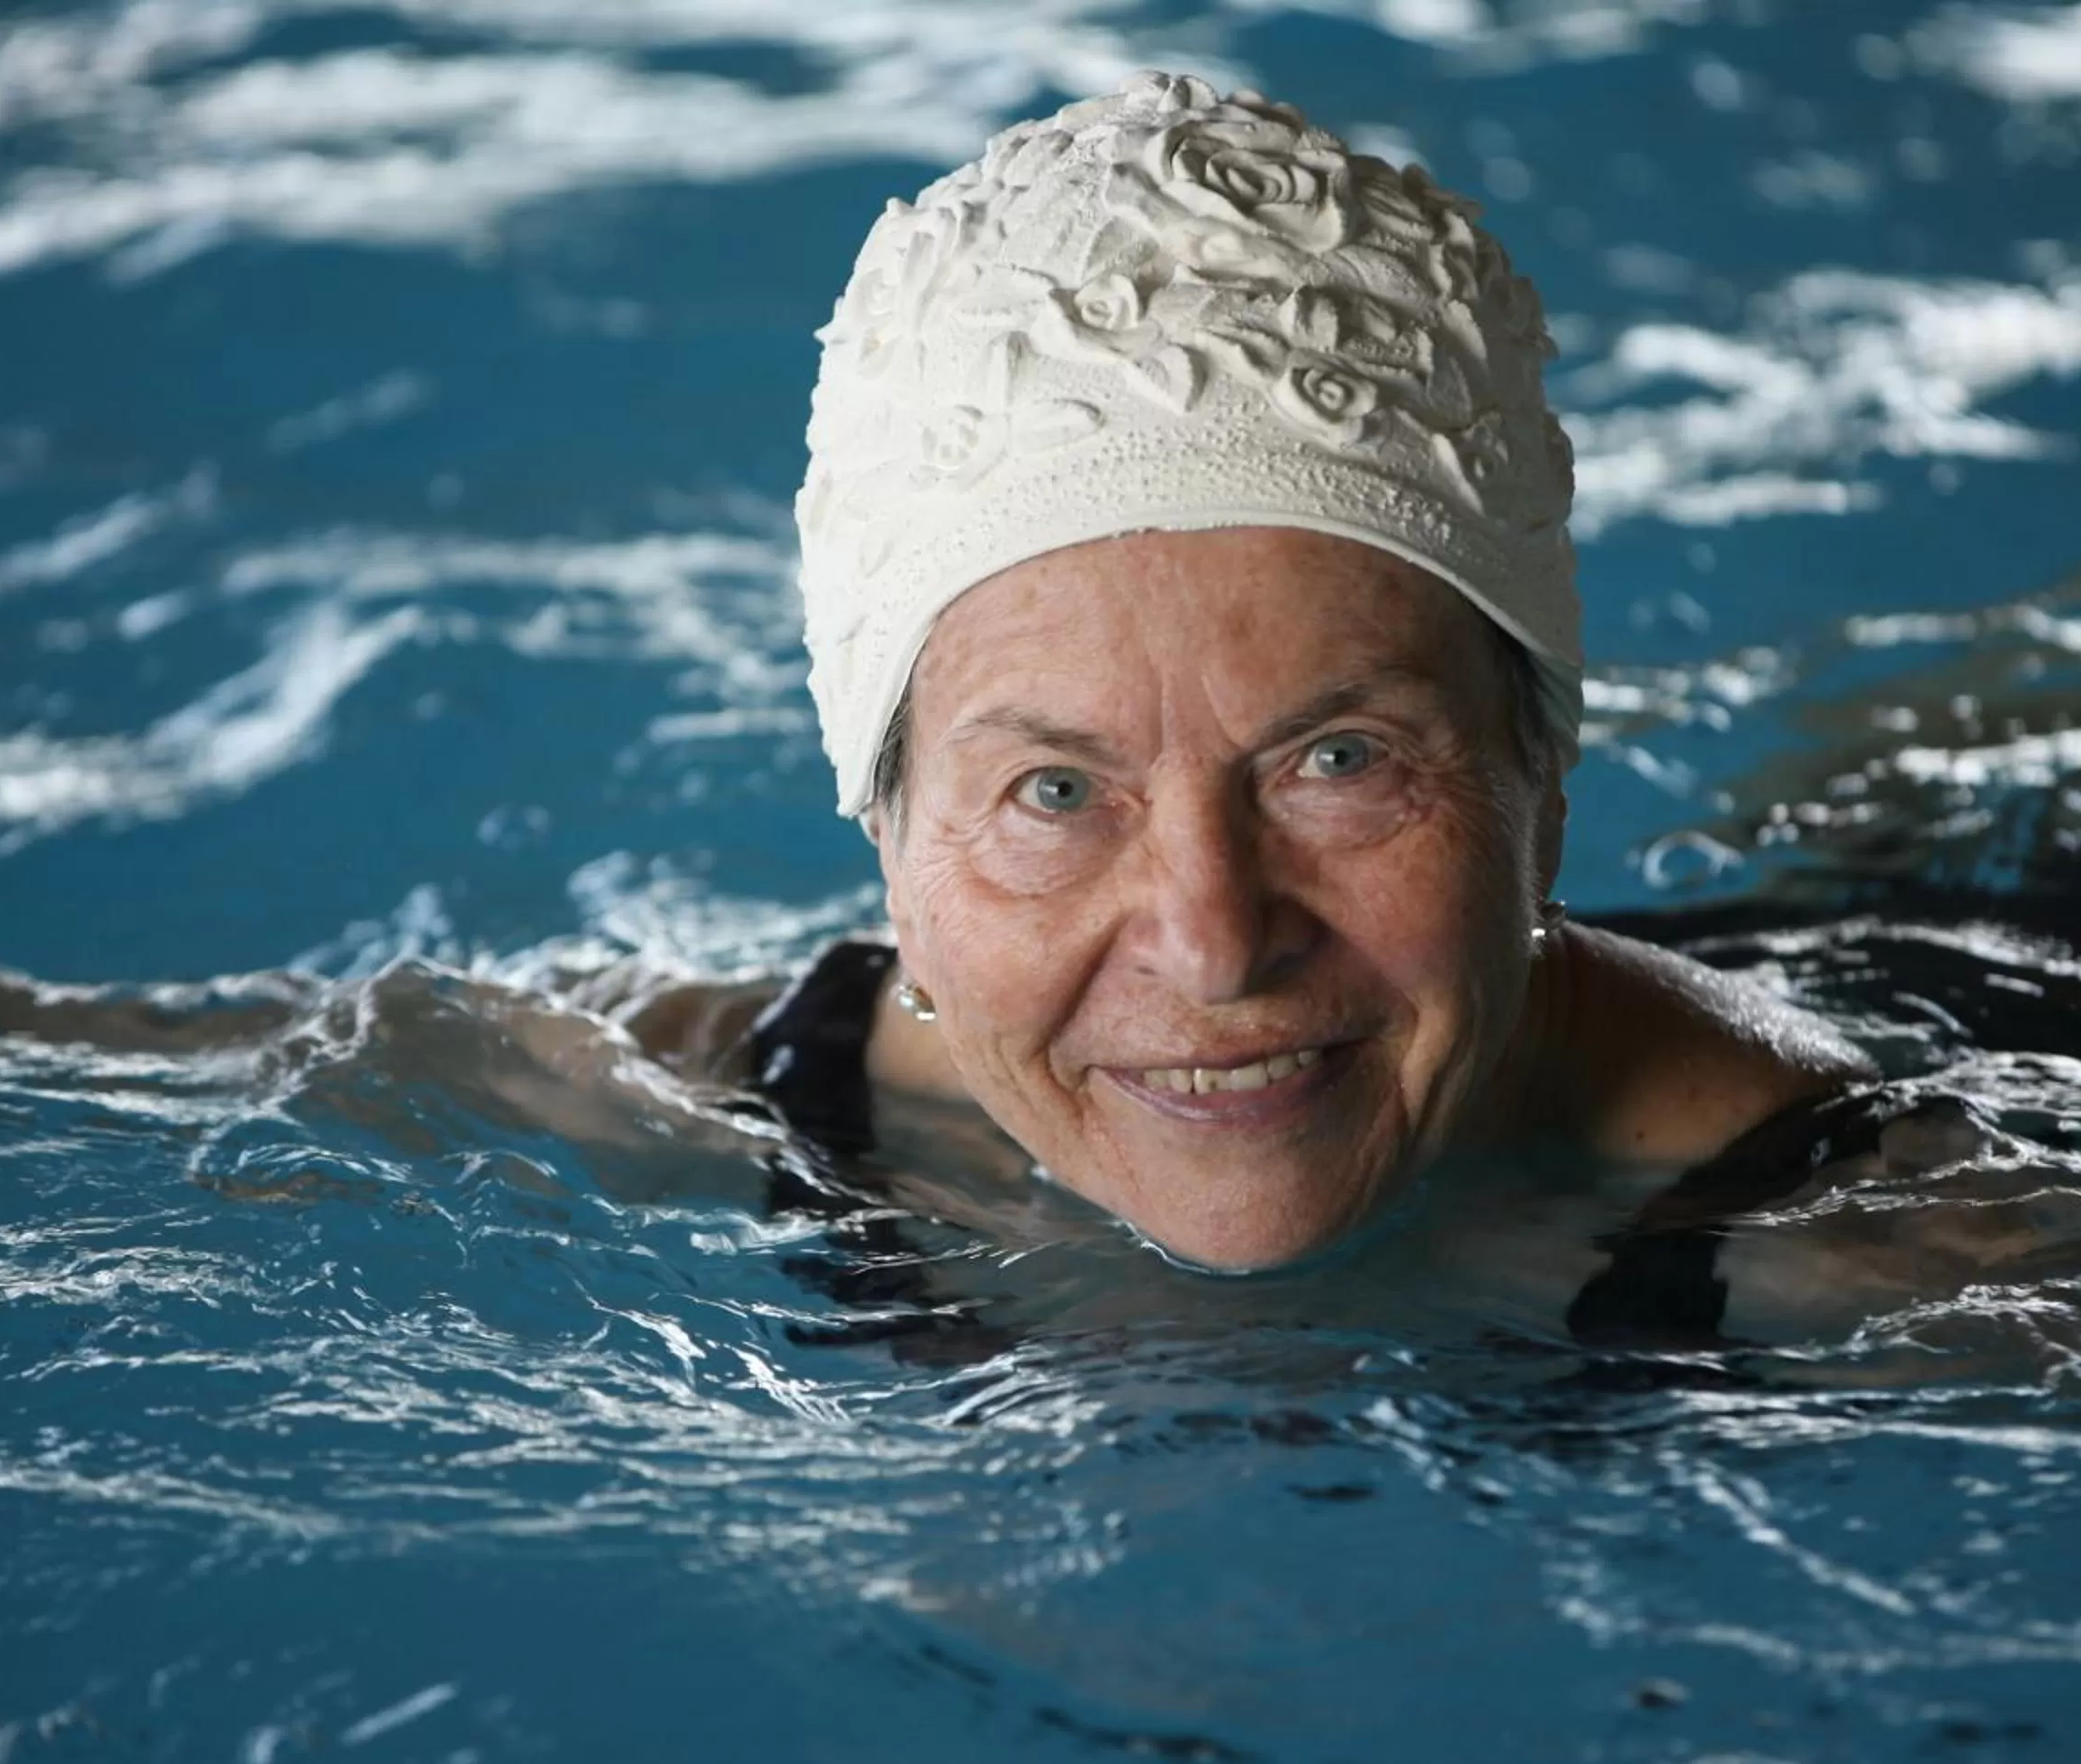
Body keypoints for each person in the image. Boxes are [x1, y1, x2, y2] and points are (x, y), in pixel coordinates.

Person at [763, 71, 1872, 1276]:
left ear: (1543, 783)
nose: (1215, 948)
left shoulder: (1889, 1257)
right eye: (1056, 791)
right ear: (894, 852)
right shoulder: (765, 1101)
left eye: (1339, 761)